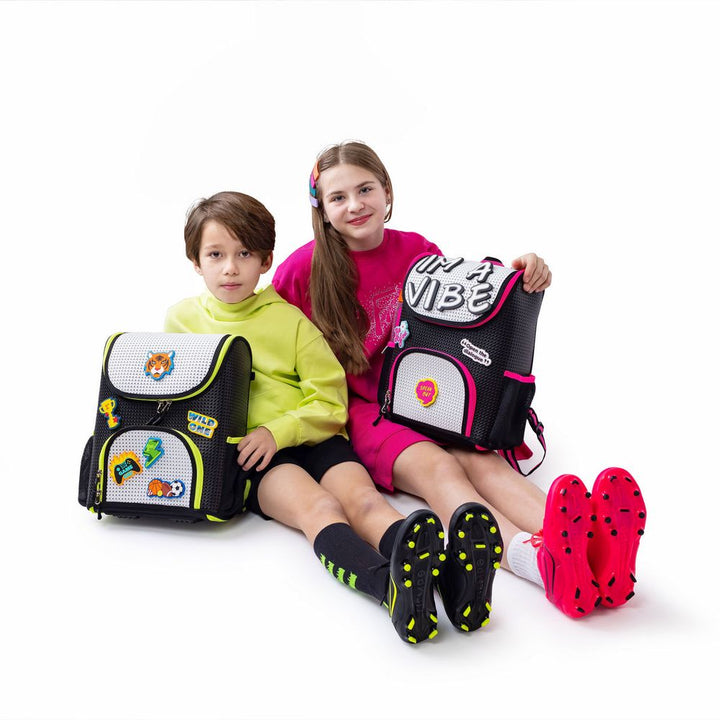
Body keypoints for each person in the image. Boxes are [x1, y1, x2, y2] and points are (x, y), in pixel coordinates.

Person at [273, 141, 647, 619]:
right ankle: (540, 563)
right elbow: (267, 334)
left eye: (365, 189)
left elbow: (464, 311)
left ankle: (596, 553)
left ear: (387, 191)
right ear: (321, 210)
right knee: (439, 469)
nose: (355, 205)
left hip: (426, 394)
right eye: (338, 197)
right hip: (362, 411)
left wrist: (516, 275)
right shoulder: (301, 270)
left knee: (485, 463)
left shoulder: (417, 250)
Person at [164, 190, 501, 644]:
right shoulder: (181, 321)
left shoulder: (290, 322)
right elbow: (176, 396)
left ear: (265, 261)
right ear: (195, 262)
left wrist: (280, 429)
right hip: (254, 458)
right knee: (319, 509)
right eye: (215, 255)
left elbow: (330, 400)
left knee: (366, 503)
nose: (230, 268)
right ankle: (392, 592)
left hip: (314, 439)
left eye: (244, 254)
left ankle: (455, 586)